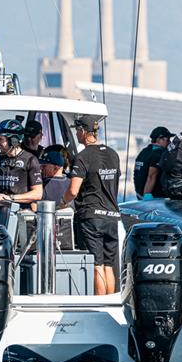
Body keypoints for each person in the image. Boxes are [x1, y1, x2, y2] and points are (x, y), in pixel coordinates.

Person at [61, 115, 121, 295]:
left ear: (83, 132)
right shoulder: (113, 154)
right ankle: (110, 304)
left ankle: (100, 305)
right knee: (109, 265)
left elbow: (73, 190)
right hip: (111, 216)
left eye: (77, 130)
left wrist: (62, 203)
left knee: (97, 265)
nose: (76, 134)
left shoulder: (83, 156)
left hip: (92, 217)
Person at [0, 119, 43, 218]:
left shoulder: (30, 160)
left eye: (1, 139)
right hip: (0, 215)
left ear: (13, 141)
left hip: (21, 216)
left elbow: (37, 193)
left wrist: (10, 198)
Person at [133, 126, 173, 199]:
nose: (169, 142)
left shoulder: (144, 151)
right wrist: (147, 195)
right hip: (152, 198)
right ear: (159, 139)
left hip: (139, 195)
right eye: (168, 140)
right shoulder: (159, 154)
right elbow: (151, 176)